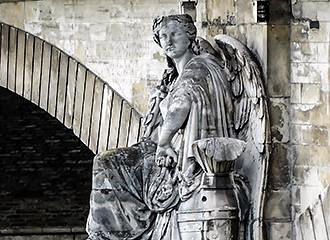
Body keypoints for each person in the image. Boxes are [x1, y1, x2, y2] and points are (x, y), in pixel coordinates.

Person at [86, 14, 237, 240]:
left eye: (175, 34)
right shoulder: (175, 76)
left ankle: (113, 233)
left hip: (179, 158)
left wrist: (164, 142)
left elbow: (180, 106)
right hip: (171, 153)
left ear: (190, 36)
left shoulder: (198, 67)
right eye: (163, 36)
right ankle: (113, 230)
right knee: (109, 163)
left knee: (105, 163)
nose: (168, 41)